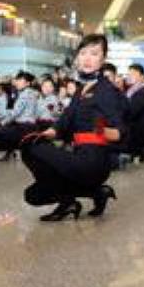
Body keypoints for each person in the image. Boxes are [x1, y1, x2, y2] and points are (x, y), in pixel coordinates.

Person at [20, 35, 125, 221]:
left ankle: (73, 199)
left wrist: (101, 129)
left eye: (94, 54)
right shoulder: (80, 89)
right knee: (33, 195)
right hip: (77, 154)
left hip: (94, 160)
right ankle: (94, 194)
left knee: (31, 148)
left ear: (104, 58)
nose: (87, 58)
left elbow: (120, 132)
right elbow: (64, 120)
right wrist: (49, 132)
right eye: (83, 53)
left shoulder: (107, 90)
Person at [0, 72, 39, 162]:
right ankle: (10, 152)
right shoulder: (28, 93)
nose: (17, 82)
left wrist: (1, 122)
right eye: (17, 80)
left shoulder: (24, 94)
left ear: (27, 83)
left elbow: (14, 112)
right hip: (23, 123)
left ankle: (15, 151)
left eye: (21, 81)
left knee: (0, 131)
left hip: (25, 125)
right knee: (3, 128)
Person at [123, 64, 144, 162]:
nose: (129, 76)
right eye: (129, 74)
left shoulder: (142, 92)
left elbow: (132, 111)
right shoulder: (131, 90)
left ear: (141, 77)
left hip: (139, 130)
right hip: (134, 129)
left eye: (133, 74)